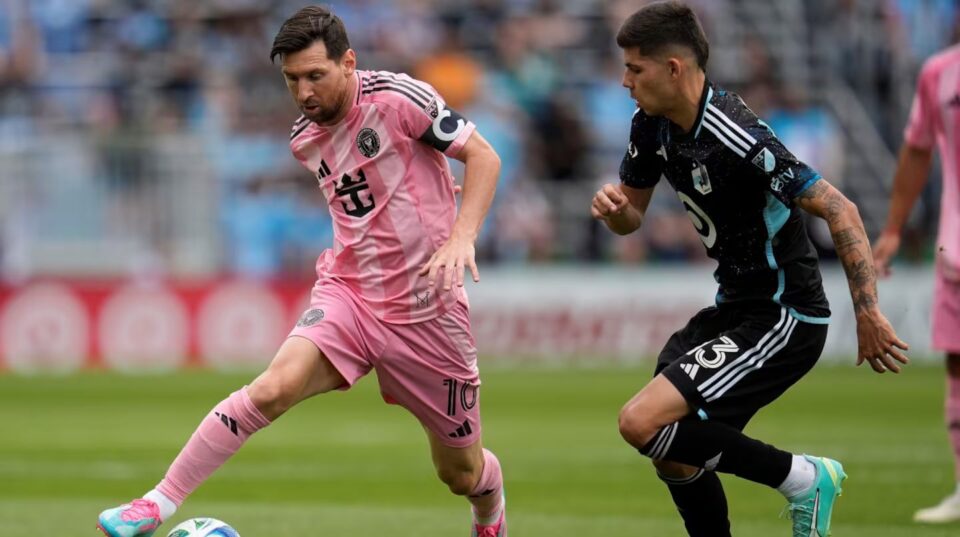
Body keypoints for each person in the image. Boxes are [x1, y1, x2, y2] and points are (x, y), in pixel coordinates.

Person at [97, 6, 507, 537]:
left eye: (315, 75)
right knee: (274, 387)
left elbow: (484, 157)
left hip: (428, 311)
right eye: (292, 79)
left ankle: (489, 512)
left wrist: (460, 235)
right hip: (352, 295)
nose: (304, 92)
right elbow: (370, 195)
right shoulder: (304, 138)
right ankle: (156, 503)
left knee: (461, 473)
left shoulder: (399, 98)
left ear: (348, 62)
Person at [590, 3, 909, 536]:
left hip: (784, 314)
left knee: (639, 421)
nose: (625, 82)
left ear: (674, 68)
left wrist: (868, 312)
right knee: (671, 448)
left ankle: (804, 478)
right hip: (733, 308)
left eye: (635, 69)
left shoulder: (736, 135)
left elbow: (840, 209)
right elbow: (632, 217)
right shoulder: (651, 126)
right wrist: (616, 211)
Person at [873, 43, 960, 524]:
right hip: (955, 247)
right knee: (958, 364)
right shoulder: (939, 73)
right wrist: (892, 229)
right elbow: (917, 149)